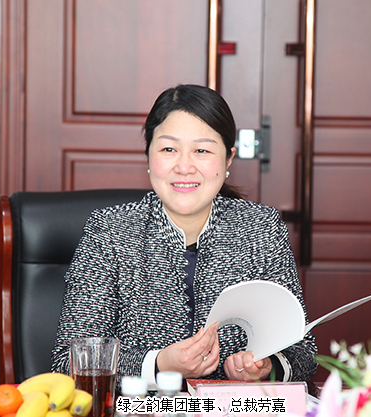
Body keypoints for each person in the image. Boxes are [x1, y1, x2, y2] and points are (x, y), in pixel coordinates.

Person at [51, 84, 318, 389]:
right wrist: (159, 364)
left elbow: (303, 354)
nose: (184, 167)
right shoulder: (109, 231)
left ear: (228, 159)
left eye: (202, 150)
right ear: (148, 156)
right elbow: (67, 363)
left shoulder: (261, 228)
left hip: (231, 408)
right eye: (169, 149)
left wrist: (267, 368)